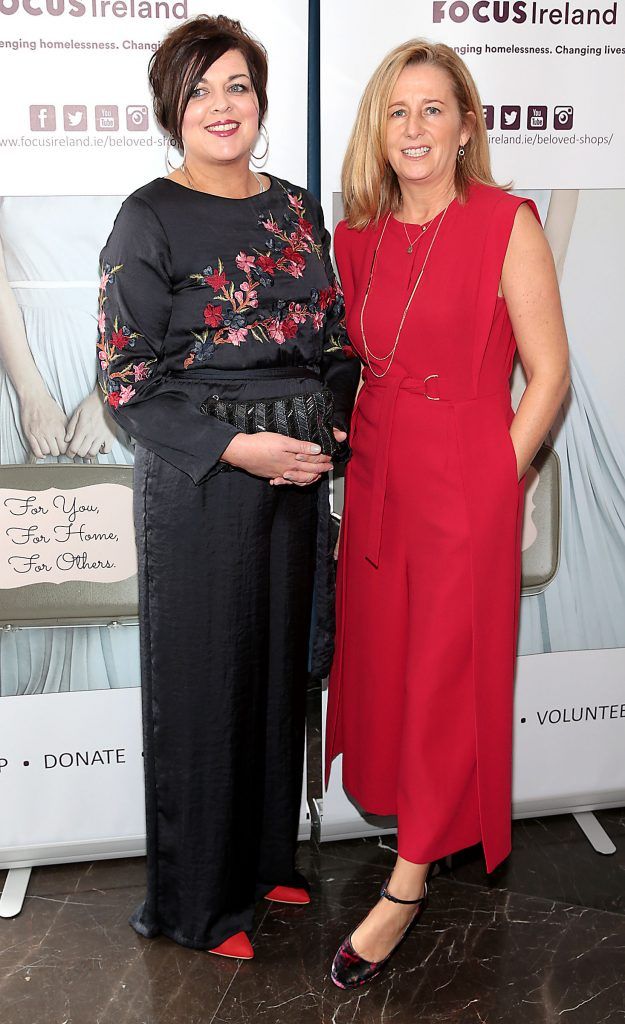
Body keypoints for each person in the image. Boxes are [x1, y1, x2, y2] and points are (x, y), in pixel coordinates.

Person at [97, 15, 359, 958]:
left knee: (279, 668)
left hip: (296, 469)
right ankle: (198, 907)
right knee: (209, 684)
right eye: (202, 89)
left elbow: (334, 342)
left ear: (260, 101)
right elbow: (128, 380)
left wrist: (326, 421)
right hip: (204, 473)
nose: (222, 105)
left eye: (237, 86)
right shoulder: (148, 215)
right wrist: (241, 446)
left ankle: (262, 865)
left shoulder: (294, 209)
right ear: (174, 107)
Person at [325, 39, 570, 989]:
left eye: (434, 110)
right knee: (387, 667)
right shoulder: (356, 236)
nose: (415, 129)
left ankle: (408, 883)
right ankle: (410, 827)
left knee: (440, 681)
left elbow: (546, 377)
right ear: (377, 131)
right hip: (379, 480)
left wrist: (492, 480)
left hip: (466, 480)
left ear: (466, 125)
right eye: (398, 111)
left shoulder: (505, 223)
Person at [0, 196, 138, 695]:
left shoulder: (159, 136)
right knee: (27, 568)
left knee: (118, 565)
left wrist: (110, 394)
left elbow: (174, 274)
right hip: (22, 358)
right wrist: (29, 392)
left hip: (126, 361)